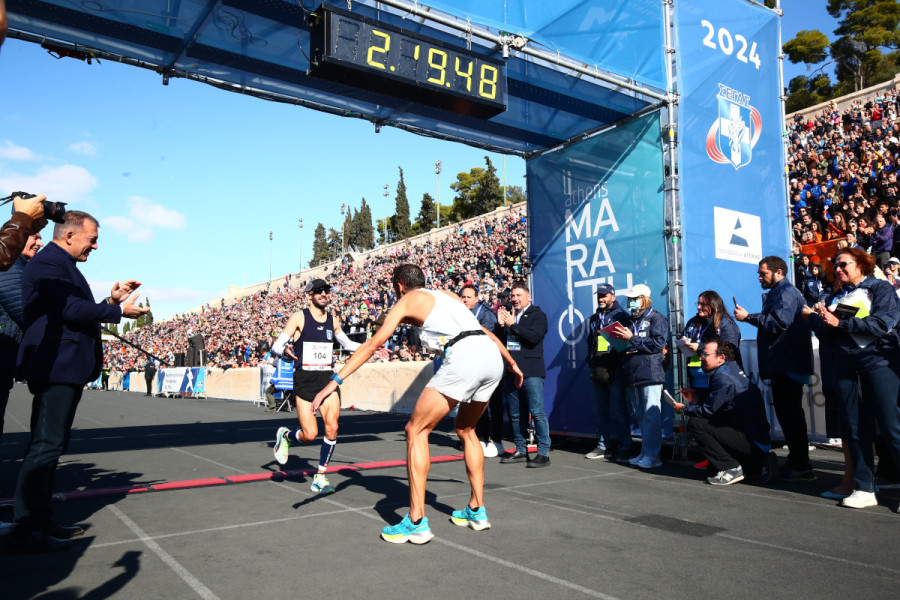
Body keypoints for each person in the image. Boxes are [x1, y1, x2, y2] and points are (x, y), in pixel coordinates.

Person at [310, 264, 522, 544]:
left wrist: (334, 381)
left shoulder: (406, 300)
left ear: (399, 285)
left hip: (464, 356)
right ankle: (476, 510)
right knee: (467, 429)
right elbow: (483, 330)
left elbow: (373, 345)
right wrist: (512, 362)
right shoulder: (447, 295)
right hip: (490, 355)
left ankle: (416, 521)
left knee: (416, 431)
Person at [9, 211, 148, 553]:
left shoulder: (60, 264)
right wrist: (117, 312)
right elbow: (71, 311)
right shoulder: (50, 264)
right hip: (56, 366)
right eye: (92, 239)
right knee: (45, 445)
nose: (96, 246)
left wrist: (111, 301)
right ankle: (27, 526)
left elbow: (71, 310)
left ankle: (38, 519)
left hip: (63, 367)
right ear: (69, 235)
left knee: (50, 444)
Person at [804, 248, 900, 509]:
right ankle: (865, 487)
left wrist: (841, 323)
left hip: (877, 364)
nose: (838, 269)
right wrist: (816, 318)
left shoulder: (880, 288)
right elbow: (828, 332)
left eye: (843, 264)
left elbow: (883, 324)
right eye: (836, 265)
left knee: (892, 428)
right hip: (845, 367)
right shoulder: (837, 295)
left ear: (862, 264)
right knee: (855, 429)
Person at [269, 278, 365, 496]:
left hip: (326, 380)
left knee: (332, 428)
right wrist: (284, 351)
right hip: (304, 381)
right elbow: (276, 346)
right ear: (309, 294)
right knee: (310, 434)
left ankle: (320, 475)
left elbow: (348, 345)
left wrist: (372, 346)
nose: (324, 294)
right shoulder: (299, 317)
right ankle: (286, 436)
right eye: (319, 291)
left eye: (327, 291)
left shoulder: (333, 320)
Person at [734, 255, 816, 481]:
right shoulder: (781, 293)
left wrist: (748, 317)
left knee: (791, 416)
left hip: (788, 363)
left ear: (778, 272)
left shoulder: (786, 292)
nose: (759, 277)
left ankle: (801, 465)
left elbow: (779, 322)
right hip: (784, 363)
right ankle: (798, 463)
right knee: (789, 416)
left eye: (763, 273)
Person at [673, 340, 776, 486]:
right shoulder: (729, 370)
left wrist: (683, 409)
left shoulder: (724, 378)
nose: (701, 357)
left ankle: (731, 468)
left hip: (751, 440)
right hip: (755, 439)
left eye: (705, 354)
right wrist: (696, 398)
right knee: (712, 467)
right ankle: (757, 464)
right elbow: (719, 402)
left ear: (721, 358)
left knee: (696, 424)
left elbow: (709, 411)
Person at [612, 284, 669, 469]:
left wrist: (632, 339)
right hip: (633, 373)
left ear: (645, 299)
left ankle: (653, 455)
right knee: (641, 416)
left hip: (651, 373)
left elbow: (658, 344)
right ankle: (645, 452)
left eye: (635, 298)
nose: (632, 302)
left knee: (652, 416)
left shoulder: (656, 318)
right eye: (630, 299)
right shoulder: (629, 321)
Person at [496, 280, 551, 467]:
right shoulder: (510, 315)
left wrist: (513, 324)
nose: (515, 299)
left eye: (519, 295)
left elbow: (533, 338)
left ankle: (543, 452)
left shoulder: (538, 315)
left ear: (529, 296)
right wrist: (501, 325)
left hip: (531, 372)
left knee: (537, 412)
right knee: (515, 413)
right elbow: (502, 343)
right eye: (512, 296)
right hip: (512, 371)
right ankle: (520, 448)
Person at [0, 228, 42, 439]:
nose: (40, 243)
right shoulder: (8, 269)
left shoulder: (18, 268)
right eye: (36, 237)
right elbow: (28, 314)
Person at [584, 284, 632, 462]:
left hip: (615, 368)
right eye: (599, 296)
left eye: (605, 295)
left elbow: (627, 344)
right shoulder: (595, 317)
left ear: (613, 296)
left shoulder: (622, 316)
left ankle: (625, 447)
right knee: (600, 410)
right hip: (598, 368)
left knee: (619, 410)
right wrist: (590, 361)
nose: (601, 298)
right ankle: (604, 446)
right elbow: (590, 342)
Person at [460, 284, 505, 458]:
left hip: (490, 366)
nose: (465, 300)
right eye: (463, 297)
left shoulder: (486, 314)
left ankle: (497, 440)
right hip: (473, 367)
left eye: (468, 297)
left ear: (477, 298)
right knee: (477, 404)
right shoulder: (463, 314)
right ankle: (482, 438)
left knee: (494, 404)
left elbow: (485, 339)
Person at [680, 291, 742, 406]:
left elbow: (729, 349)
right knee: (698, 415)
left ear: (713, 305)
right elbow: (684, 342)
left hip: (717, 380)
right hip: (696, 382)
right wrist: (683, 341)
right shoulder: (693, 322)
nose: (699, 307)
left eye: (703, 304)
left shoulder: (725, 323)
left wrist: (700, 348)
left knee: (714, 414)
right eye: (698, 304)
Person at [1, 194, 47, 270]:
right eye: (35, 238)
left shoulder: (22, 266)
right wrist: (23, 218)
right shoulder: (13, 269)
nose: (41, 244)